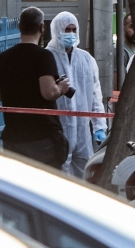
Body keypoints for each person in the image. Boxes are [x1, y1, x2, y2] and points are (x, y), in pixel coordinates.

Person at [0, 7, 70, 169]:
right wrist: (61, 87)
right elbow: (48, 92)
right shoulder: (43, 56)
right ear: (42, 27)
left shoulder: (5, 56)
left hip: (13, 135)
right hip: (41, 136)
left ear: (19, 27)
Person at [45, 12, 108, 178]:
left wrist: (99, 125)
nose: (71, 34)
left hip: (82, 130)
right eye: (67, 29)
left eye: (74, 29)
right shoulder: (47, 57)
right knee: (59, 176)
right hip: (57, 130)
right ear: (56, 30)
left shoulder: (86, 59)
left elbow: (95, 94)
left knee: (85, 174)